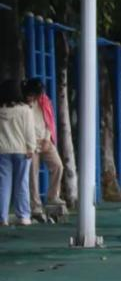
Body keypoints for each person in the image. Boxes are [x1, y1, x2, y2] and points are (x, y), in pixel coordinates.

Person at [22, 78, 65, 218]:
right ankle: (35, 206)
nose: (33, 97)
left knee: (58, 166)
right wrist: (31, 143)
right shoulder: (21, 104)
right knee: (32, 175)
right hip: (30, 143)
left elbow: (49, 121)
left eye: (35, 95)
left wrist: (47, 139)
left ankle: (53, 196)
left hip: (45, 140)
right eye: (31, 95)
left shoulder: (44, 101)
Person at [0, 79, 36, 226]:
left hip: (2, 150)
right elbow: (29, 131)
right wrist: (31, 148)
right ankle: (23, 216)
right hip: (22, 150)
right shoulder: (25, 110)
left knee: (3, 184)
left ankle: (2, 218)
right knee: (22, 183)